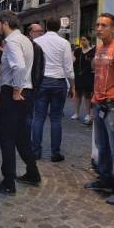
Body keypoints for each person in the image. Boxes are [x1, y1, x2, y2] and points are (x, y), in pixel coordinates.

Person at [84, 13, 114, 205]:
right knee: (102, 146)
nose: (98, 28)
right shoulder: (99, 48)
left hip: (113, 106)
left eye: (104, 25)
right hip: (99, 104)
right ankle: (105, 180)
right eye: (97, 25)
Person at [0, 11, 41, 195]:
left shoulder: (12, 42)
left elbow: (19, 66)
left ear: (5, 23)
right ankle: (32, 173)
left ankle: (8, 182)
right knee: (21, 136)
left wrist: (15, 89)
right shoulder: (25, 40)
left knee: (7, 138)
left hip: (13, 93)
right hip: (26, 93)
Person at [32, 18, 75, 162]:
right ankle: (55, 153)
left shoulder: (37, 42)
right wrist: (72, 86)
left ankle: (36, 151)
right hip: (58, 82)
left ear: (45, 27)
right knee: (56, 119)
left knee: (38, 117)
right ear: (58, 28)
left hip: (42, 82)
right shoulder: (64, 43)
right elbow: (68, 68)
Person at [72, 35, 95, 125]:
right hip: (78, 75)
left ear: (89, 41)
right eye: (82, 40)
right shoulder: (78, 51)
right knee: (77, 94)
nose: (83, 41)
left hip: (88, 76)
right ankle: (76, 113)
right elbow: (73, 60)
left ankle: (88, 114)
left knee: (87, 95)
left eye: (84, 40)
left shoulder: (93, 52)